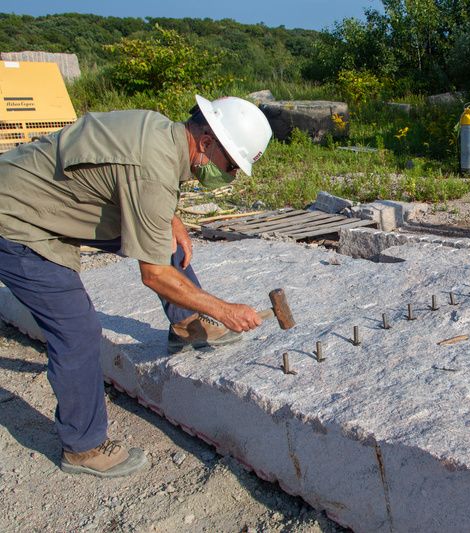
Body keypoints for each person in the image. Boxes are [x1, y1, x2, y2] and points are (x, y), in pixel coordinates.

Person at [0, 95, 272, 478]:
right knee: (77, 330)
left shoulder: (163, 134)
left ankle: (186, 323)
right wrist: (223, 310)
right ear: (207, 142)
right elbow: (154, 274)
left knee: (165, 236)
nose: (229, 176)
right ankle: (83, 446)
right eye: (230, 166)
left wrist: (171, 218)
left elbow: (141, 187)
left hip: (54, 197)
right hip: (17, 220)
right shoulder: (152, 167)